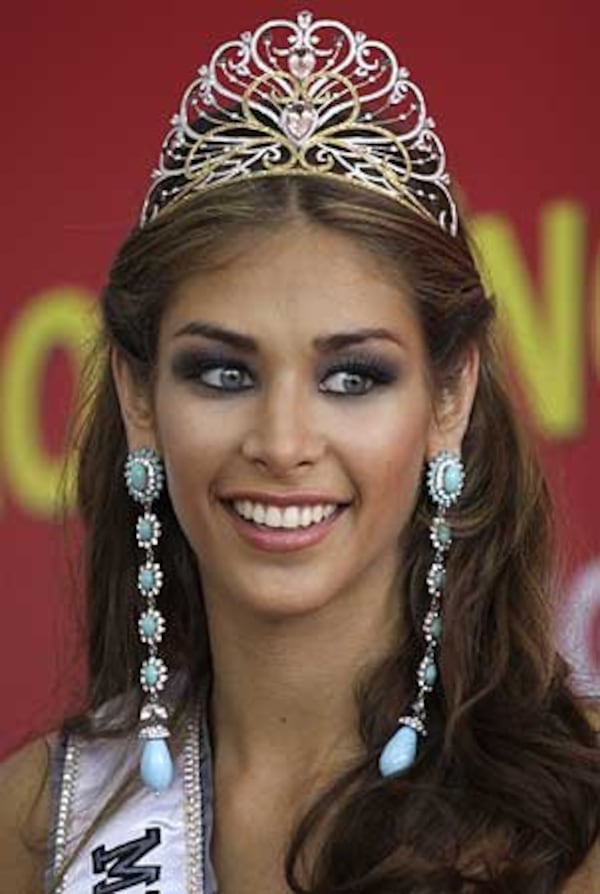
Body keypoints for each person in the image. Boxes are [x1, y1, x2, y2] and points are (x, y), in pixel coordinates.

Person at [1, 10, 599, 894]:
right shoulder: (38, 824)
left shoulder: (578, 809)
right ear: (138, 397)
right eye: (221, 372)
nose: (282, 444)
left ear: (450, 397)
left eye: (352, 378)